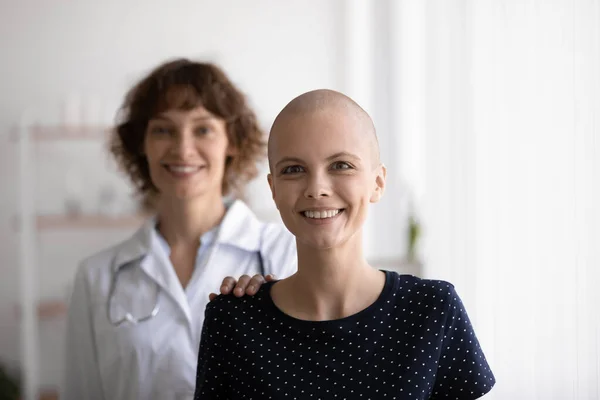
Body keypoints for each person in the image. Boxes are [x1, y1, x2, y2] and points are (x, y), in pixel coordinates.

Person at [194, 89, 496, 399]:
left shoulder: (433, 309)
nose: (317, 189)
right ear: (273, 189)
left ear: (377, 183)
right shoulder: (232, 320)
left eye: (341, 165)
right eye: (294, 169)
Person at [62, 59, 297, 400]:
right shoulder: (97, 277)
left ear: (232, 141)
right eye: (163, 130)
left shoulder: (285, 253)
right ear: (141, 144)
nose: (183, 148)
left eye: (202, 129)